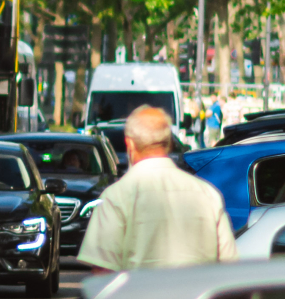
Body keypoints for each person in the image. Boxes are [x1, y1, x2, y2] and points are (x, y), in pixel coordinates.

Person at [82, 105, 234, 271]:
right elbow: (229, 266)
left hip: (137, 296)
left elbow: (103, 271)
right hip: (198, 296)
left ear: (130, 144)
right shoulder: (208, 195)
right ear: (168, 144)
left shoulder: (115, 196)